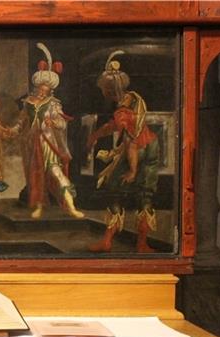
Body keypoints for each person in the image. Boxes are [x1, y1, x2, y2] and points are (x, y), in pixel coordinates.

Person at [86, 50, 160, 253]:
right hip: (152, 145)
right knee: (145, 195)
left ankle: (108, 241)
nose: (102, 92)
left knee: (114, 193)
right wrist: (96, 135)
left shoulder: (121, 112)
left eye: (103, 89)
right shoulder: (133, 98)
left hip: (136, 152)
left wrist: (132, 170)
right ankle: (142, 244)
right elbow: (114, 127)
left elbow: (130, 142)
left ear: (109, 91)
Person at [10, 43, 83, 219]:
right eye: (41, 89)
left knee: (57, 173)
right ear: (37, 88)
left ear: (50, 90)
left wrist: (54, 121)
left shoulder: (54, 104)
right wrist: (13, 129)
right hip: (31, 144)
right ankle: (39, 207)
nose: (43, 92)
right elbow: (21, 122)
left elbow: (63, 124)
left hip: (49, 143)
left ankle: (71, 206)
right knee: (36, 177)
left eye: (46, 90)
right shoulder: (28, 103)